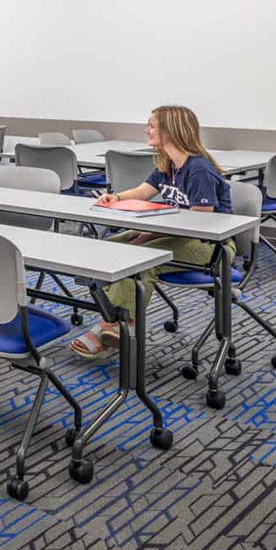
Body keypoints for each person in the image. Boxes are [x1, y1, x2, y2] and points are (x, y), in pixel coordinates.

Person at [70, 104, 230, 359]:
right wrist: (116, 197)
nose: (147, 130)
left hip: (211, 246)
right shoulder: (168, 163)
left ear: (171, 130)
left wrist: (151, 235)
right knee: (111, 246)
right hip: (176, 234)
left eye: (152, 126)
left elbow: (201, 222)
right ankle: (115, 320)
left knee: (141, 260)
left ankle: (123, 326)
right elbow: (144, 190)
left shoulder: (198, 169)